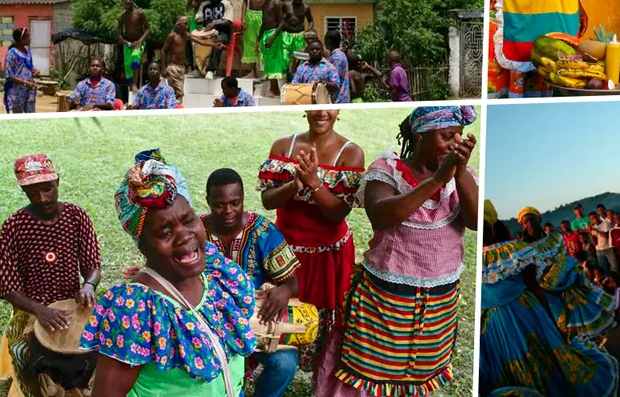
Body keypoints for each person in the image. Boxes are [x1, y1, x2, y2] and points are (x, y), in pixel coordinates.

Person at [81, 151, 256, 396]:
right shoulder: (134, 310)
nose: (184, 235)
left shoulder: (217, 277)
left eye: (188, 220)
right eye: (164, 232)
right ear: (142, 245)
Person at [335, 106, 477, 394]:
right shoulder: (386, 171)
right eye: (447, 135)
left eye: (459, 136)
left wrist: (459, 175)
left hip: (439, 304)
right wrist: (436, 179)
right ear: (421, 135)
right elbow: (382, 216)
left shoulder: (462, 178)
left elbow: (475, 221)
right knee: (371, 373)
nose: (455, 143)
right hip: (385, 302)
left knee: (419, 375)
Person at [258, 110, 365, 396]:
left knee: (326, 325)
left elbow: (337, 213)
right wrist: (295, 184)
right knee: (282, 316)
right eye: (316, 104)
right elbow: (267, 201)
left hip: (328, 256)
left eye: (330, 105)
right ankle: (275, 367)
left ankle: (323, 384)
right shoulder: (283, 146)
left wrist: (315, 182)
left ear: (339, 109)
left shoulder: (350, 154)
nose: (322, 112)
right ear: (306, 108)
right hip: (284, 257)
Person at [479, 200, 619, 396]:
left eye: (531, 220)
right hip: (526, 312)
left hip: (541, 301)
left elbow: (555, 266)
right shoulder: (517, 249)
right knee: (545, 356)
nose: (528, 225)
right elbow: (534, 285)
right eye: (524, 222)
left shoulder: (517, 250)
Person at [0, 155, 102, 397]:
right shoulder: (13, 227)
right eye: (32, 192)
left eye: (47, 189)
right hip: (31, 309)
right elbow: (8, 287)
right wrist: (39, 310)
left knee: (99, 348)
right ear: (23, 190)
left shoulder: (76, 216)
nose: (42, 198)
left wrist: (88, 285)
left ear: (57, 181)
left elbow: (93, 265)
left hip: (72, 304)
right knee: (24, 356)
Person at [203, 168, 301, 397]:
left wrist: (284, 290)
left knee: (285, 364)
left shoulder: (262, 231)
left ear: (243, 198)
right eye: (219, 204)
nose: (228, 211)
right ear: (207, 201)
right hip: (210, 325)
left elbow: (293, 283)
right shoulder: (195, 232)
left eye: (235, 203)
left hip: (257, 322)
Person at [266, 0, 313, 78]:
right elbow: (280, 18)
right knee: (284, 57)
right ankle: (287, 76)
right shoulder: (286, 5)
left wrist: (308, 30)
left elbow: (311, 20)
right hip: (286, 35)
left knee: (299, 59)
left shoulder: (306, 7)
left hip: (299, 36)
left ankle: (296, 78)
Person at [197, 0, 234, 81]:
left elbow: (228, 21)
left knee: (217, 43)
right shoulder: (204, 4)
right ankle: (198, 68)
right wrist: (201, 22)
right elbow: (198, 17)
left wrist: (214, 24)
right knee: (192, 40)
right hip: (207, 33)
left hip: (222, 33)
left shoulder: (226, 4)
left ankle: (211, 70)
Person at [161, 16, 199, 104]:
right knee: (179, 93)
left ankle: (175, 109)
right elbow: (163, 50)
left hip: (181, 68)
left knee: (178, 93)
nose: (187, 25)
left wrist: (213, 44)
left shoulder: (185, 35)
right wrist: (163, 68)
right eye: (185, 23)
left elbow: (199, 40)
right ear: (178, 25)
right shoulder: (172, 36)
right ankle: (175, 110)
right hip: (173, 67)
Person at [118, 0, 150, 95]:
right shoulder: (122, 17)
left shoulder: (139, 14)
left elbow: (148, 29)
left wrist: (140, 41)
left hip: (139, 42)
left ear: (133, 1)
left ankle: (135, 84)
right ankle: (130, 86)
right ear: (123, 1)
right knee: (127, 65)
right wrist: (126, 43)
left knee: (135, 56)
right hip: (128, 44)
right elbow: (119, 35)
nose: (128, 1)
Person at [257, 0, 285, 96]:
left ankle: (274, 89)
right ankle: (274, 88)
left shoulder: (276, 3)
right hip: (266, 34)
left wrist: (272, 38)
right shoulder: (264, 5)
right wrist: (259, 39)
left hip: (275, 35)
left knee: (274, 62)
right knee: (268, 62)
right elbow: (264, 23)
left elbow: (282, 22)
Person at [3, 27, 37, 114]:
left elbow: (29, 66)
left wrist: (34, 70)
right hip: (16, 93)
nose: (30, 38)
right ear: (21, 39)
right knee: (18, 121)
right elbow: (9, 75)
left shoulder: (28, 51)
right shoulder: (12, 53)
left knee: (31, 118)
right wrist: (25, 82)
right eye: (28, 36)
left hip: (29, 91)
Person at [241, 0, 266, 78]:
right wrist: (243, 18)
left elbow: (273, 0)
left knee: (263, 42)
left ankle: (265, 70)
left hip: (263, 15)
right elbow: (245, 1)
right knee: (251, 42)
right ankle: (253, 71)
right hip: (251, 15)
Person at [323, 30, 350, 104]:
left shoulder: (336, 58)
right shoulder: (340, 54)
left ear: (328, 41)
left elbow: (334, 79)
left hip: (339, 98)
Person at [589, 209, 617, 274]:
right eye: (592, 218)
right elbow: (595, 243)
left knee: (614, 267)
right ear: (591, 220)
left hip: (608, 249)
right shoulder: (593, 228)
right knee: (604, 269)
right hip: (599, 251)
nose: (595, 219)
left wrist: (597, 230)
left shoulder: (605, 223)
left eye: (595, 217)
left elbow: (606, 236)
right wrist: (590, 233)